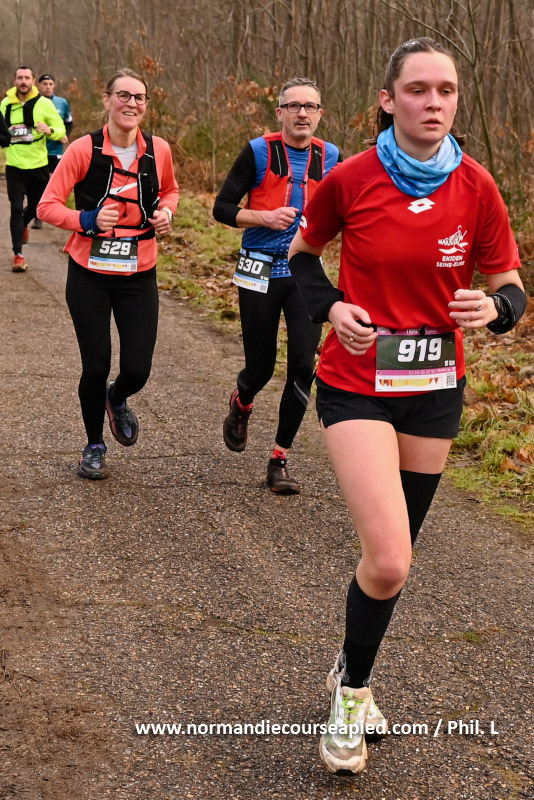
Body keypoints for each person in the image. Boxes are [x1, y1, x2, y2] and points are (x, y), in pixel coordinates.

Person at [288, 37, 526, 775]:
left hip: (434, 390)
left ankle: (350, 671)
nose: (433, 102)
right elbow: (301, 256)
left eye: (445, 90)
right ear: (388, 100)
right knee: (389, 557)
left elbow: (511, 285)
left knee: (393, 561)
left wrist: (497, 309)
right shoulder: (352, 178)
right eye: (417, 89)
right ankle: (350, 698)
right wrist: (332, 308)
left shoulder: (477, 186)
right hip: (357, 380)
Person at [38, 68, 179, 480]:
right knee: (96, 363)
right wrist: (87, 219)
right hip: (89, 273)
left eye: (139, 97)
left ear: (146, 105)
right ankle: (94, 446)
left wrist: (167, 213)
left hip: (139, 272)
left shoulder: (158, 150)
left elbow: (171, 190)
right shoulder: (83, 149)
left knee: (138, 369)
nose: (131, 103)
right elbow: (47, 206)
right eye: (123, 95)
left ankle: (116, 398)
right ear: (107, 100)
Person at [213, 78, 341, 494]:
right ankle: (242, 400)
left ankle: (279, 459)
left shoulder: (332, 156)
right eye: (294, 106)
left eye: (310, 106)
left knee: (303, 366)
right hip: (259, 267)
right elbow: (221, 209)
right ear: (280, 112)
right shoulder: (257, 151)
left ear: (320, 114)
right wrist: (263, 217)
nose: (302, 113)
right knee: (261, 367)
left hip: (305, 271)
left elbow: (351, 210)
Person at [0, 66, 66, 271]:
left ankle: (23, 224)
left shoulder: (44, 104)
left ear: (33, 80)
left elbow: (61, 129)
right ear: (14, 80)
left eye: (27, 78)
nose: (23, 81)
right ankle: (18, 255)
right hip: (14, 165)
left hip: (38, 165)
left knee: (38, 207)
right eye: (20, 78)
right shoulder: (5, 104)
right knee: (16, 207)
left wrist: (50, 130)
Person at [32, 73, 74, 229]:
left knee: (53, 183)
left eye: (50, 84)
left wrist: (65, 135)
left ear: (54, 85)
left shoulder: (62, 103)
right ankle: (37, 215)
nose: (48, 87)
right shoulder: (34, 103)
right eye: (45, 84)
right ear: (39, 86)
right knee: (39, 184)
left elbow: (69, 122)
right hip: (38, 150)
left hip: (55, 150)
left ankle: (53, 212)